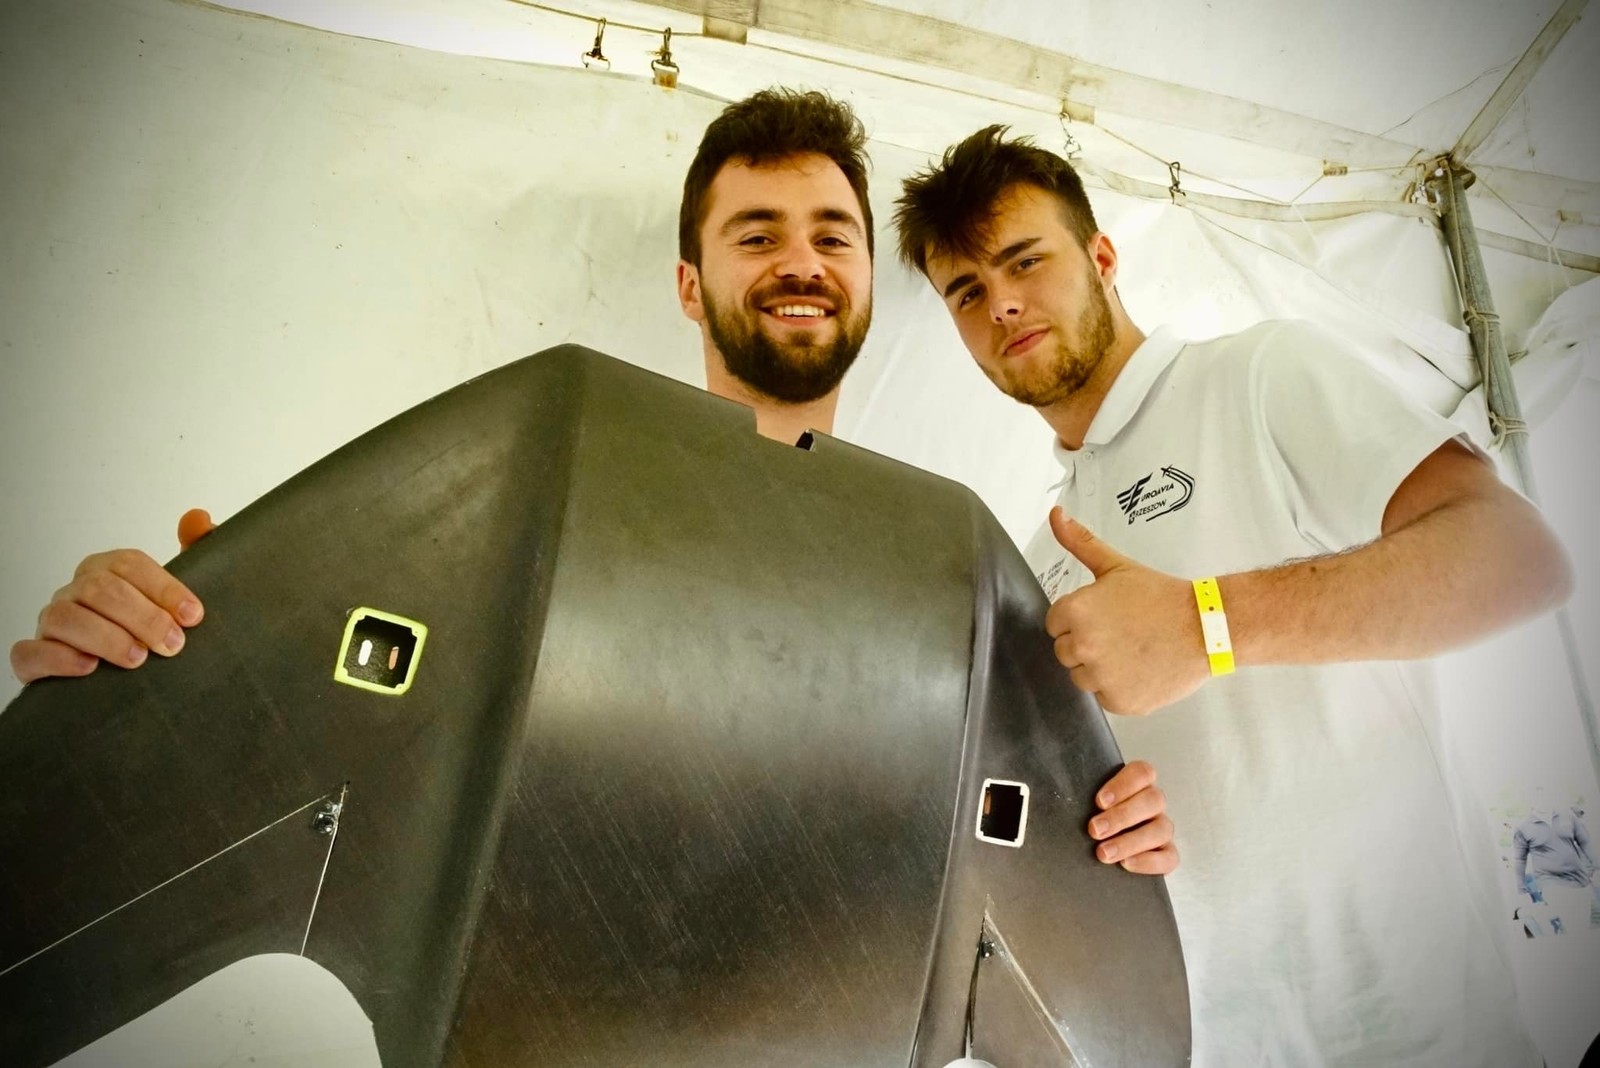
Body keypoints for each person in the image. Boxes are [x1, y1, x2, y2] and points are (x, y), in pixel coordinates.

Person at [7, 90, 1176, 877]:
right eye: (756, 234)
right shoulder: (531, 502)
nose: (801, 261)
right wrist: (160, 650)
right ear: (689, 285)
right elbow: (311, 733)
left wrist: (1110, 827)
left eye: (832, 235)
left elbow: (993, 827)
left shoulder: (940, 570)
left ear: (866, 280)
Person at [893, 125, 1573, 1065]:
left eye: (1024, 260)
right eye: (966, 292)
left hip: (1418, 1028)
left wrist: (1205, 623)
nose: (1001, 302)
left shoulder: (1258, 376)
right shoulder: (1038, 556)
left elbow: (1517, 556)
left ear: (1102, 258)